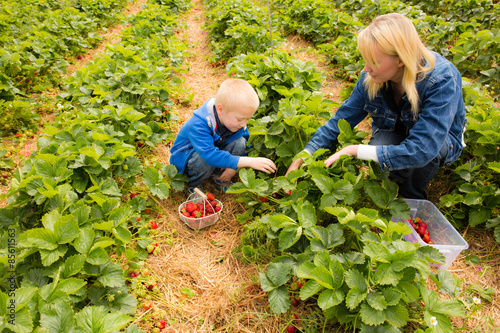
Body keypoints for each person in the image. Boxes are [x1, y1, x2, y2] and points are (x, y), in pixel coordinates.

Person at [286, 13, 466, 199]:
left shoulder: (441, 80)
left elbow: (422, 149)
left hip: (437, 141)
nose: (365, 69)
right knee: (382, 151)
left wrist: (354, 150)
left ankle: (410, 199)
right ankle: (391, 188)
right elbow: (340, 120)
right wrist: (304, 155)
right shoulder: (370, 79)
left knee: (418, 163)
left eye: (374, 62)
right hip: (395, 131)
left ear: (400, 59)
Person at [170, 78, 276, 192]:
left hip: (213, 154)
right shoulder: (198, 124)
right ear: (220, 109)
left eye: (248, 119)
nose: (244, 124)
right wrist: (249, 161)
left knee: (239, 141)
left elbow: (244, 141)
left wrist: (232, 168)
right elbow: (210, 156)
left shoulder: (233, 120)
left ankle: (217, 176)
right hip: (188, 160)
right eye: (240, 119)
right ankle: (192, 185)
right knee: (204, 160)